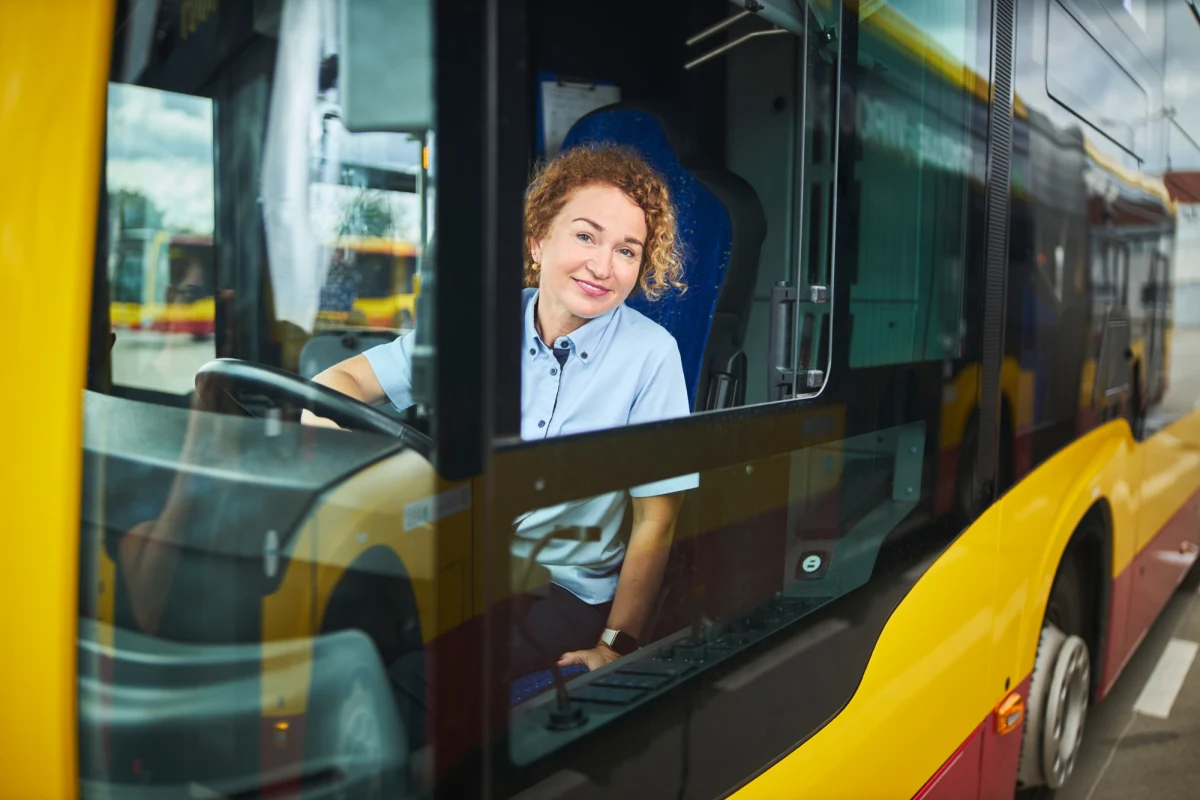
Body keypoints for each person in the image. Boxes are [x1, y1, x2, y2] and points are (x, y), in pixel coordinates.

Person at [304, 143, 697, 679]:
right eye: (585, 236)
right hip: (463, 560)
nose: (603, 266)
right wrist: (335, 464)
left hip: (560, 590)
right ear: (539, 241)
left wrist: (617, 644)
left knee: (418, 683)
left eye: (628, 251)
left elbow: (657, 519)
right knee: (326, 628)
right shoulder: (481, 324)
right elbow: (339, 381)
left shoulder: (653, 354)